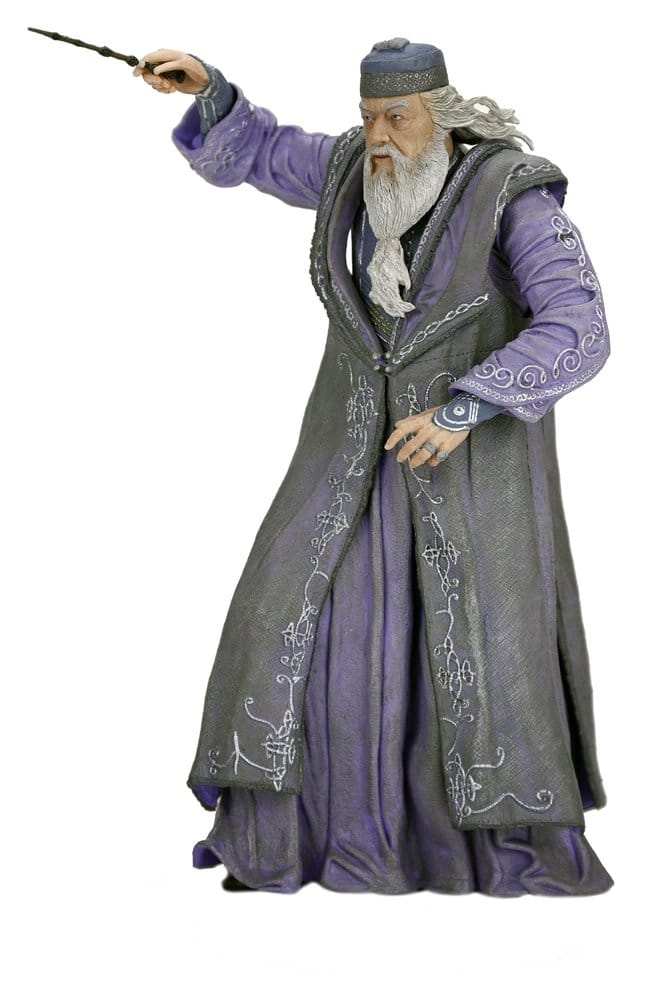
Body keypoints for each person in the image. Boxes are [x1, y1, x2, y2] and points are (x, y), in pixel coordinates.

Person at [135, 38, 613, 895]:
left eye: (398, 116)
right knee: (292, 621)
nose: (380, 135)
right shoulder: (356, 168)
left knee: (476, 649)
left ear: (443, 115)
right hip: (349, 455)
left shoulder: (512, 195)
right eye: (368, 117)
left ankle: (486, 851)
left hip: (472, 472)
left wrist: (467, 407)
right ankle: (295, 840)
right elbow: (267, 152)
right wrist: (210, 92)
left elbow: (578, 324)